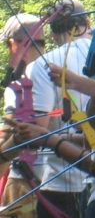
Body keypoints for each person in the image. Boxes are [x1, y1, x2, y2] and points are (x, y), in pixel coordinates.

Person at [29, 0, 93, 217]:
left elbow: (39, 130)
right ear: (88, 22)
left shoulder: (45, 63)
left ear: (53, 33)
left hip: (60, 181)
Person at [0, 13, 46, 217]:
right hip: (72, 184)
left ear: (12, 45)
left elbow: (8, 137)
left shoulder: (18, 86)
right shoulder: (57, 72)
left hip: (25, 183)